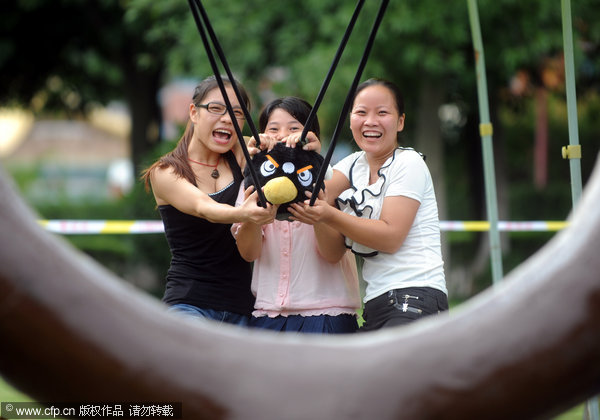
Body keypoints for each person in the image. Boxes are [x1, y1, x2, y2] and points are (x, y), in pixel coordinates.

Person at [290, 78, 448, 331]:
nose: (370, 121)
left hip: (417, 296)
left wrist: (327, 214)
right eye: (361, 112)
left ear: (400, 122)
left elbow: (390, 237)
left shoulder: (409, 163)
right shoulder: (352, 165)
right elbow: (330, 247)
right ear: (350, 118)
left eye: (382, 112)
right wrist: (304, 156)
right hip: (376, 303)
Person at [141, 75, 278, 326]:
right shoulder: (166, 171)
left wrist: (277, 148)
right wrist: (244, 214)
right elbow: (204, 208)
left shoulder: (241, 153)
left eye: (237, 113)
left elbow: (288, 162)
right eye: (216, 108)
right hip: (189, 303)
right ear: (194, 112)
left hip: (244, 307)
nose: (226, 119)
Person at [232, 97, 361, 334]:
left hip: (328, 313)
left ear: (311, 138)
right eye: (273, 129)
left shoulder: (329, 179)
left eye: (294, 128)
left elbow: (333, 254)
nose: (283, 135)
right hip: (268, 315)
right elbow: (249, 253)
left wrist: (319, 215)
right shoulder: (254, 183)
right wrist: (254, 216)